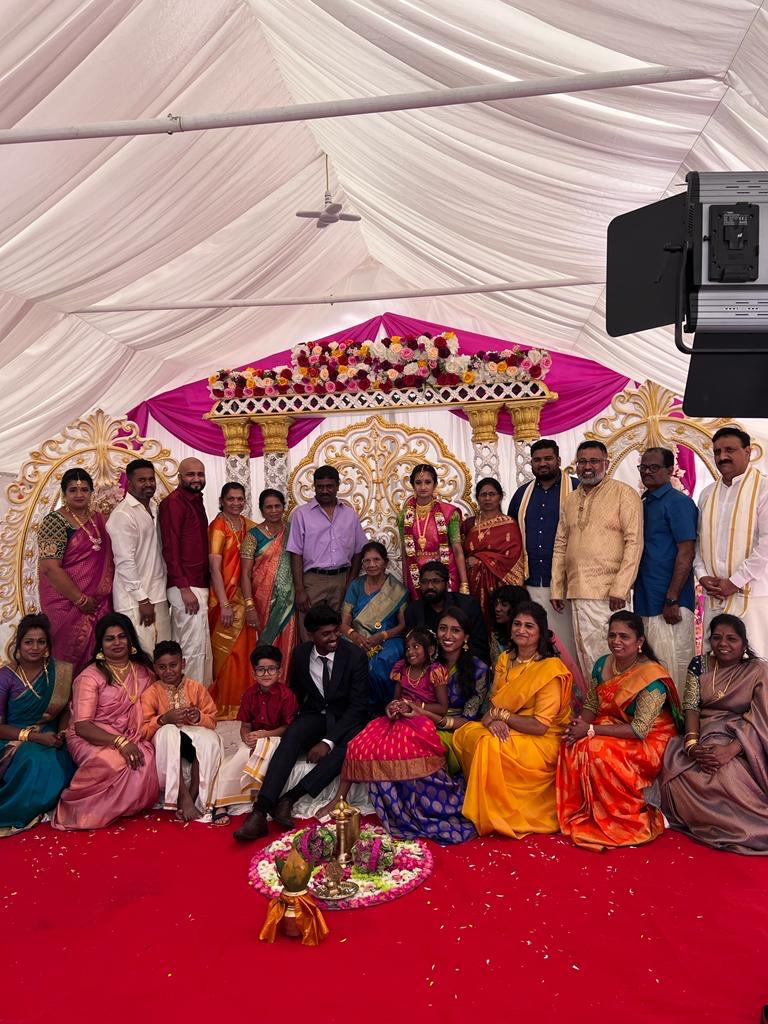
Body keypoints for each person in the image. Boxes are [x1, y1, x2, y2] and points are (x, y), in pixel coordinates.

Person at [233, 604, 369, 841]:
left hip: (347, 718)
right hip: (315, 714)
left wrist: (327, 742)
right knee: (293, 734)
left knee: (347, 748)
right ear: (310, 634)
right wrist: (278, 724)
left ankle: (290, 798)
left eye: (336, 631)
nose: (334, 638)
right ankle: (260, 811)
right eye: (326, 634)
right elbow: (295, 693)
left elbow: (358, 706)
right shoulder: (301, 654)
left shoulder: (354, 656)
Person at [557, 611, 681, 850]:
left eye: (624, 637)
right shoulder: (603, 663)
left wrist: (590, 730)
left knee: (598, 751)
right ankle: (587, 814)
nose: (616, 641)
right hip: (610, 725)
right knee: (570, 743)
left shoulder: (651, 677)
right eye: (612, 635)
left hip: (651, 738)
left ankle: (625, 819)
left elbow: (639, 730)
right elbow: (592, 704)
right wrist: (578, 727)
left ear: (639, 641)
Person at [454, 602, 573, 838]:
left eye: (529, 626)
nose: (521, 630)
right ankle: (486, 807)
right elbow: (495, 704)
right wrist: (496, 720)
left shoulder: (550, 669)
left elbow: (540, 726)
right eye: (517, 624)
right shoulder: (505, 659)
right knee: (465, 733)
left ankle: (497, 814)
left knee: (488, 744)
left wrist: (503, 717)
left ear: (541, 632)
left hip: (542, 739)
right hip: (510, 728)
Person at [362, 612, 482, 843]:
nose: (447, 635)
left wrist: (425, 714)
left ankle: (431, 811)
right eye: (443, 628)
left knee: (412, 746)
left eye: (455, 630)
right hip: (417, 720)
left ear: (466, 637)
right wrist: (401, 709)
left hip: (456, 729)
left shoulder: (478, 669)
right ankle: (399, 812)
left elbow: (470, 717)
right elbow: (400, 697)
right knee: (386, 743)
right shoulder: (422, 664)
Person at [661, 614, 768, 854]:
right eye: (717, 638)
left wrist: (732, 749)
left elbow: (762, 716)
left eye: (731, 639)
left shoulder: (758, 669)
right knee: (682, 772)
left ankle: (755, 828)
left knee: (727, 773)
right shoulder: (699, 664)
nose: (723, 644)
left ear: (744, 643)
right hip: (705, 730)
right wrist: (691, 744)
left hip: (743, 734)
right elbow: (691, 706)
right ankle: (720, 823)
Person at [318, 628, 449, 814]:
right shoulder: (401, 668)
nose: (410, 651)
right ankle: (339, 798)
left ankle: (403, 806)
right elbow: (394, 699)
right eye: (407, 648)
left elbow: (442, 707)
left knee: (396, 749)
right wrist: (391, 708)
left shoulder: (435, 671)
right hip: (398, 718)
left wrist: (413, 706)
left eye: (416, 647)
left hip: (420, 719)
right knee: (356, 744)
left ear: (430, 649)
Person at [53, 613, 158, 830]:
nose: (117, 643)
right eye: (110, 639)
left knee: (145, 758)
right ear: (100, 644)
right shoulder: (89, 677)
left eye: (122, 636)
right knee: (112, 761)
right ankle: (80, 810)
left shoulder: (144, 673)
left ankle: (123, 807)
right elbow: (82, 726)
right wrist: (120, 742)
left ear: (130, 640)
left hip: (132, 735)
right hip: (90, 736)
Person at [550, 440, 643, 679]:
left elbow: (634, 543)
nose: (587, 467)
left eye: (593, 461)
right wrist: (557, 587)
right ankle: (596, 699)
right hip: (577, 590)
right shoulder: (570, 499)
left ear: (606, 463)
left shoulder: (624, 494)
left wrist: (621, 588)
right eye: (582, 462)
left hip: (609, 594)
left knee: (612, 653)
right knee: (585, 654)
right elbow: (561, 544)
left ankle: (615, 700)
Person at [695, 427, 768, 657]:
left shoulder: (764, 489)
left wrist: (735, 581)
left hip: (753, 594)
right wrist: (702, 574)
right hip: (715, 594)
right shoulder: (707, 493)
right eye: (717, 452)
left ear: (748, 451)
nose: (722, 456)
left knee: (755, 659)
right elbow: (698, 541)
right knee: (714, 658)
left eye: (730, 450)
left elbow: (766, 544)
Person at [0, 614, 75, 837]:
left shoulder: (59, 672)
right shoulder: (6, 677)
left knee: (69, 755)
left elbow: (65, 710)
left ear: (48, 646)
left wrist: (62, 732)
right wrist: (33, 737)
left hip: (50, 733)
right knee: (34, 760)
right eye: (29, 642)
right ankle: (15, 810)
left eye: (41, 642)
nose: (35, 648)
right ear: (18, 645)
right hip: (13, 737)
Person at [508, 438, 579, 663]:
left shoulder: (577, 489)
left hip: (567, 583)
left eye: (548, 458)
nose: (542, 463)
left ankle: (574, 685)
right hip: (531, 580)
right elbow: (511, 535)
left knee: (569, 644)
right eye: (537, 459)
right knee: (536, 644)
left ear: (559, 460)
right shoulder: (522, 494)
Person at [38, 468, 114, 675]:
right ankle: (63, 694)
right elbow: (50, 568)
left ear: (91, 492)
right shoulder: (54, 521)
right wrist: (80, 600)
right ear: (64, 494)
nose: (79, 494)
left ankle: (92, 692)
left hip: (99, 602)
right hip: (64, 602)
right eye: (73, 490)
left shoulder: (101, 519)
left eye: (84, 489)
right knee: (64, 655)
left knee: (99, 653)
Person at [210, 645, 299, 822]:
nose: (266, 674)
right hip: (256, 737)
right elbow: (245, 725)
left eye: (271, 669)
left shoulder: (287, 695)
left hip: (276, 737)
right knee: (237, 758)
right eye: (261, 670)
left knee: (262, 752)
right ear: (253, 674)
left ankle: (260, 799)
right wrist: (246, 737)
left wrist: (265, 735)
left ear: (280, 672)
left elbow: (288, 728)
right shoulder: (249, 695)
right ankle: (221, 803)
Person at [635, 447, 698, 693]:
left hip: (670, 602)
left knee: (675, 666)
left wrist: (672, 598)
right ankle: (657, 715)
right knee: (652, 667)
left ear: (670, 470)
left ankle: (681, 716)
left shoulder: (678, 503)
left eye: (654, 467)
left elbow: (687, 552)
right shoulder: (644, 502)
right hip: (646, 597)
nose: (647, 472)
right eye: (643, 467)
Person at [142, 641, 222, 822]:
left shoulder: (196, 688)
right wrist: (163, 719)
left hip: (191, 738)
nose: (168, 671)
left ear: (183, 663)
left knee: (210, 739)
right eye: (162, 667)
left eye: (173, 665)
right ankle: (182, 796)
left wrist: (198, 717)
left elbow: (212, 721)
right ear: (155, 668)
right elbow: (144, 730)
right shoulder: (151, 693)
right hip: (166, 740)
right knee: (170, 732)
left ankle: (193, 796)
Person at [287, 465, 368, 640]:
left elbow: (359, 551)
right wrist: (299, 589)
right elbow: (296, 553)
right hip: (313, 581)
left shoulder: (349, 514)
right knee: (310, 627)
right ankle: (310, 658)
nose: (324, 491)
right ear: (314, 486)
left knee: (339, 628)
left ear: (338, 485)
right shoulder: (301, 515)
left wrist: (351, 580)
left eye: (329, 486)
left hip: (342, 580)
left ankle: (335, 659)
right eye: (320, 486)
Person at [105, 458, 171, 653]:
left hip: (157, 593)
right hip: (134, 600)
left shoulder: (154, 508)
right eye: (142, 480)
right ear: (130, 483)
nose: (148, 484)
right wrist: (142, 599)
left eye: (151, 479)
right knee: (143, 654)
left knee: (163, 653)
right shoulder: (122, 515)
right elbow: (125, 562)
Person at [158, 457, 212, 685]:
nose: (196, 478)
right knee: (192, 650)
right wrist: (184, 588)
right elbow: (170, 548)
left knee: (201, 648)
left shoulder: (196, 500)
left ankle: (200, 697)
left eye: (200, 474)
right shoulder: (174, 503)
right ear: (179, 477)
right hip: (186, 587)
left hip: (197, 583)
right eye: (191, 474)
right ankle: (190, 701)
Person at [490, 583, 586, 710]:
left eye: (504, 604)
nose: (497, 609)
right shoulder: (500, 646)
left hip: (538, 709)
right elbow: (496, 692)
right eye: (496, 604)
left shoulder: (547, 649)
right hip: (503, 707)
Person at [208, 483, 257, 718]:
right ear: (222, 501)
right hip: (225, 599)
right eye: (231, 499)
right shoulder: (218, 526)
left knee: (245, 651)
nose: (236, 503)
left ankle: (245, 703)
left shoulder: (248, 525)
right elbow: (214, 568)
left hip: (245, 597)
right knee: (228, 654)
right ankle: (226, 705)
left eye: (240, 499)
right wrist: (225, 603)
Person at [341, 541, 407, 712]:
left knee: (381, 663)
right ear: (362, 564)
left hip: (389, 638)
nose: (372, 564)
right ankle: (354, 711)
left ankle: (383, 709)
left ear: (385, 562)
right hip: (357, 636)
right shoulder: (355, 586)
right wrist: (355, 636)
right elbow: (344, 624)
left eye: (376, 559)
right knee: (347, 660)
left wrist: (382, 636)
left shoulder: (397, 590)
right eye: (367, 560)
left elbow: (403, 625)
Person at [241, 489, 297, 688]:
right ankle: (262, 692)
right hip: (261, 602)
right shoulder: (252, 536)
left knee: (287, 646)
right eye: (268, 507)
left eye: (277, 506)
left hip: (288, 601)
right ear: (261, 509)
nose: (274, 511)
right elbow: (245, 574)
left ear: (284, 507)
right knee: (265, 646)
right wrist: (249, 606)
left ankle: (284, 692)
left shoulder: (292, 531)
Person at [398, 463, 468, 599]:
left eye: (428, 482)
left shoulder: (449, 513)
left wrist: (464, 583)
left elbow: (457, 549)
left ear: (435, 485)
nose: (423, 487)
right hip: (417, 574)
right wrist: (406, 584)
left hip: (446, 571)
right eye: (418, 482)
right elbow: (405, 553)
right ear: (412, 485)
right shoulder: (403, 516)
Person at [462, 477, 524, 626]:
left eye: (492, 494)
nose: (487, 498)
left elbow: (513, 557)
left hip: (500, 584)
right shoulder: (469, 524)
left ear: (500, 497)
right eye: (483, 495)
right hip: (472, 583)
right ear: (477, 498)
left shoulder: (510, 524)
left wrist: (480, 560)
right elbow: (459, 553)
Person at [405, 561, 490, 665]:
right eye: (424, 582)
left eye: (436, 581)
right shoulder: (413, 611)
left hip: (465, 666)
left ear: (446, 583)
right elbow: (411, 647)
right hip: (428, 668)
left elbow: (480, 647)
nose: (430, 586)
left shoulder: (468, 605)